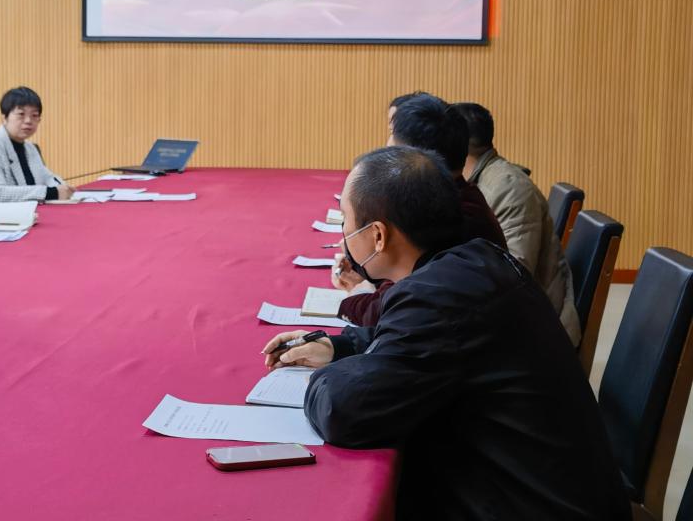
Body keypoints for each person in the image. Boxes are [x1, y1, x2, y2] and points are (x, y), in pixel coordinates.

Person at [263, 147, 630, 520]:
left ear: (377, 235)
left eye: (346, 219)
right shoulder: (476, 261)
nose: (343, 232)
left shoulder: (438, 297)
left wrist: (318, 380)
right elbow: (429, 341)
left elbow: (346, 411)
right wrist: (341, 345)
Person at [333, 93, 506, 326]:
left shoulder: (448, 216)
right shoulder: (460, 196)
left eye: (391, 136)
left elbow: (403, 306)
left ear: (413, 160)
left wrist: (352, 300)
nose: (386, 148)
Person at [452, 101, 581, 346]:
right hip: (509, 316)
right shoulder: (480, 181)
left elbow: (514, 274)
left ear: (455, 143)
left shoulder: (510, 189)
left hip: (536, 331)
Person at [0, 87, 74, 208]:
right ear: (4, 118)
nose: (28, 121)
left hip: (22, 213)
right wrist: (50, 193)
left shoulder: (30, 148)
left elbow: (47, 177)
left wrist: (63, 187)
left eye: (34, 115)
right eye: (21, 114)